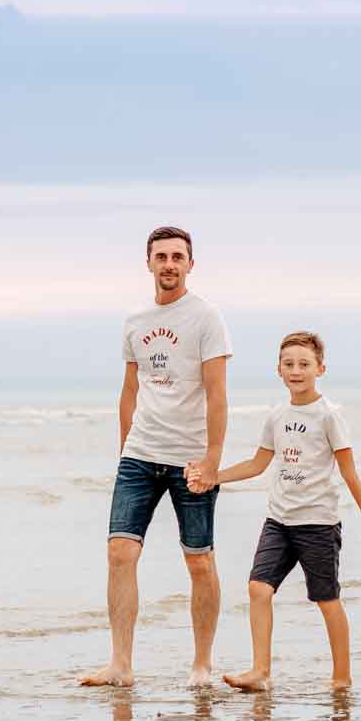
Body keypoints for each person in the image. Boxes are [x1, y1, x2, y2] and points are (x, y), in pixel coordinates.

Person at [80, 225, 232, 688]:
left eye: (177, 257)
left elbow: (217, 394)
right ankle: (120, 665)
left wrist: (211, 459)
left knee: (199, 561)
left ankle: (202, 665)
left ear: (190, 264)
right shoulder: (135, 320)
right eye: (161, 256)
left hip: (191, 459)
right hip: (140, 455)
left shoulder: (206, 317)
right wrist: (126, 446)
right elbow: (129, 389)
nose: (169, 264)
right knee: (119, 553)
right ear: (148, 263)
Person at [206, 331, 361, 692]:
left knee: (326, 598)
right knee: (258, 588)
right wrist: (215, 477)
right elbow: (259, 463)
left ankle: (341, 677)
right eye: (289, 364)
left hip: (317, 523)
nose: (296, 370)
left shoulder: (329, 416)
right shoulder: (276, 415)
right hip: (279, 520)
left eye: (304, 364)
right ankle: (260, 671)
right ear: (278, 370)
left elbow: (349, 473)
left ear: (320, 368)